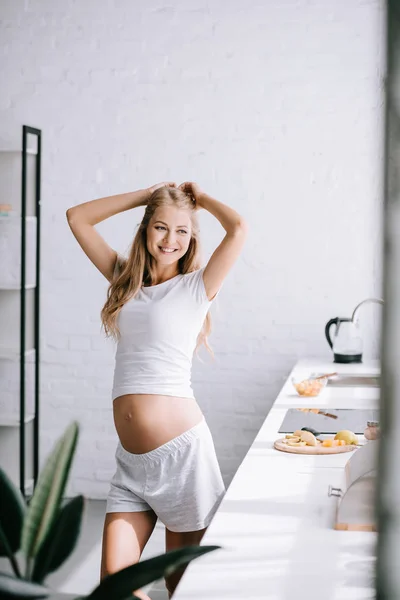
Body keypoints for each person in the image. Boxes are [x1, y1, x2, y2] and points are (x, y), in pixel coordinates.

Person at [66, 181, 247, 599]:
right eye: (161, 227)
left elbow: (238, 228)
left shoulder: (197, 288)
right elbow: (78, 218)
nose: (171, 240)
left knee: (179, 585)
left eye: (182, 231)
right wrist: (143, 196)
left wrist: (199, 200)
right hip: (131, 464)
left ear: (192, 238)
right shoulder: (124, 280)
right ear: (146, 229)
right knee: (116, 587)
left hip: (183, 458)